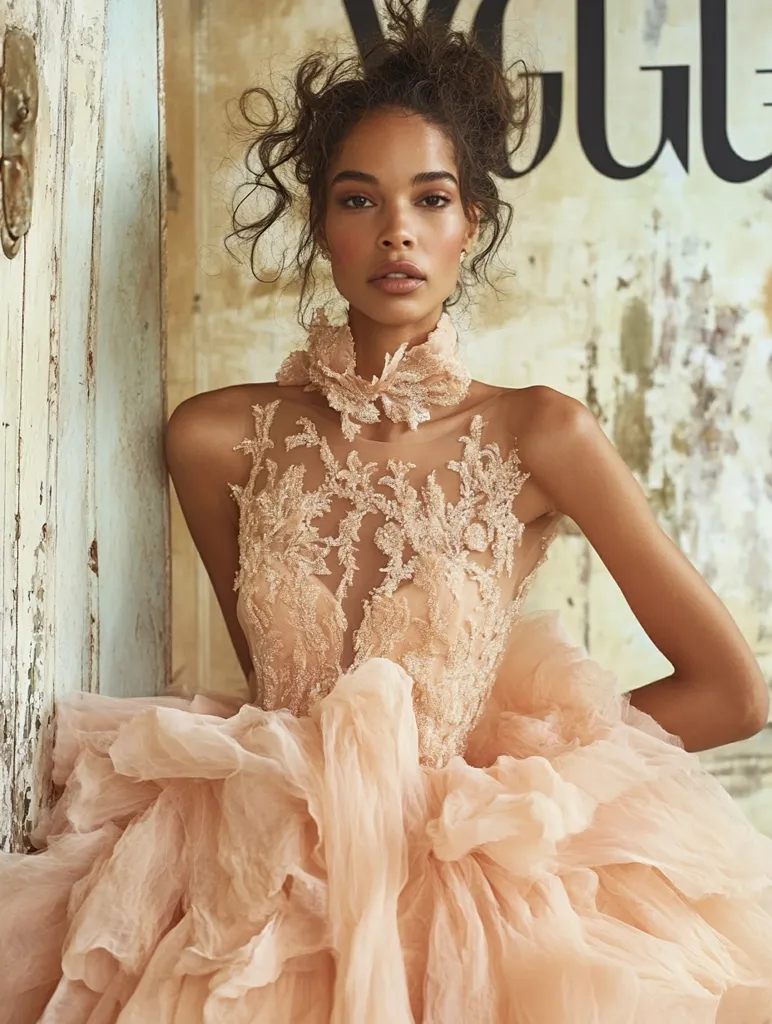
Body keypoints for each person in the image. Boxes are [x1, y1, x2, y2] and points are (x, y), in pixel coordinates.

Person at [2, 2, 772, 1021]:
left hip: (467, 886)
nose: (396, 230)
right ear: (321, 224)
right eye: (359, 200)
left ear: (473, 226)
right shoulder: (215, 440)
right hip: (262, 873)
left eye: (431, 198)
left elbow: (732, 692)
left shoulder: (541, 435)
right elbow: (276, 684)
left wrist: (512, 779)